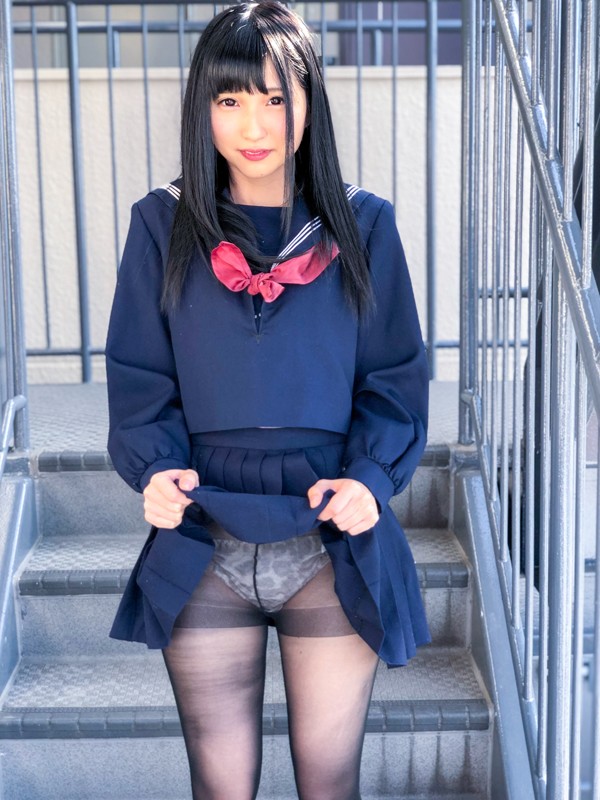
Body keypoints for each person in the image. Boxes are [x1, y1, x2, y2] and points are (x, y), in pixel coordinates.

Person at [105, 2, 430, 798]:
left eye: (276, 98)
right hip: (205, 528)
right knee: (220, 788)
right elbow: (141, 375)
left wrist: (372, 479)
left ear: (309, 103)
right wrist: (154, 468)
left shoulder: (363, 226)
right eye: (230, 99)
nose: (254, 125)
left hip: (329, 532)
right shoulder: (161, 225)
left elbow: (393, 377)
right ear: (203, 108)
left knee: (329, 783)